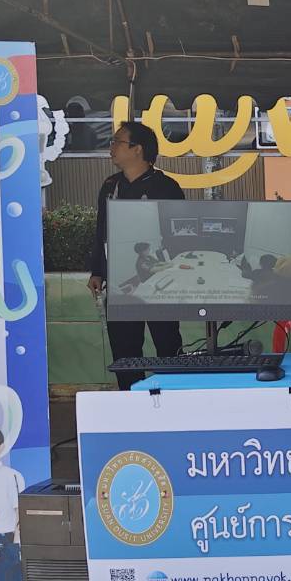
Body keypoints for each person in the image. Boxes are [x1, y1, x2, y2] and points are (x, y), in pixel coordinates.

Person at [87, 121, 186, 390]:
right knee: (124, 347)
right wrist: (97, 271)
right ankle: (130, 398)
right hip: (121, 281)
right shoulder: (110, 186)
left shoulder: (166, 187)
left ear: (137, 149)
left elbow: (178, 233)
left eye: (117, 142)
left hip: (160, 281)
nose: (111, 148)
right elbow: (101, 231)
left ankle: (173, 395)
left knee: (167, 342)